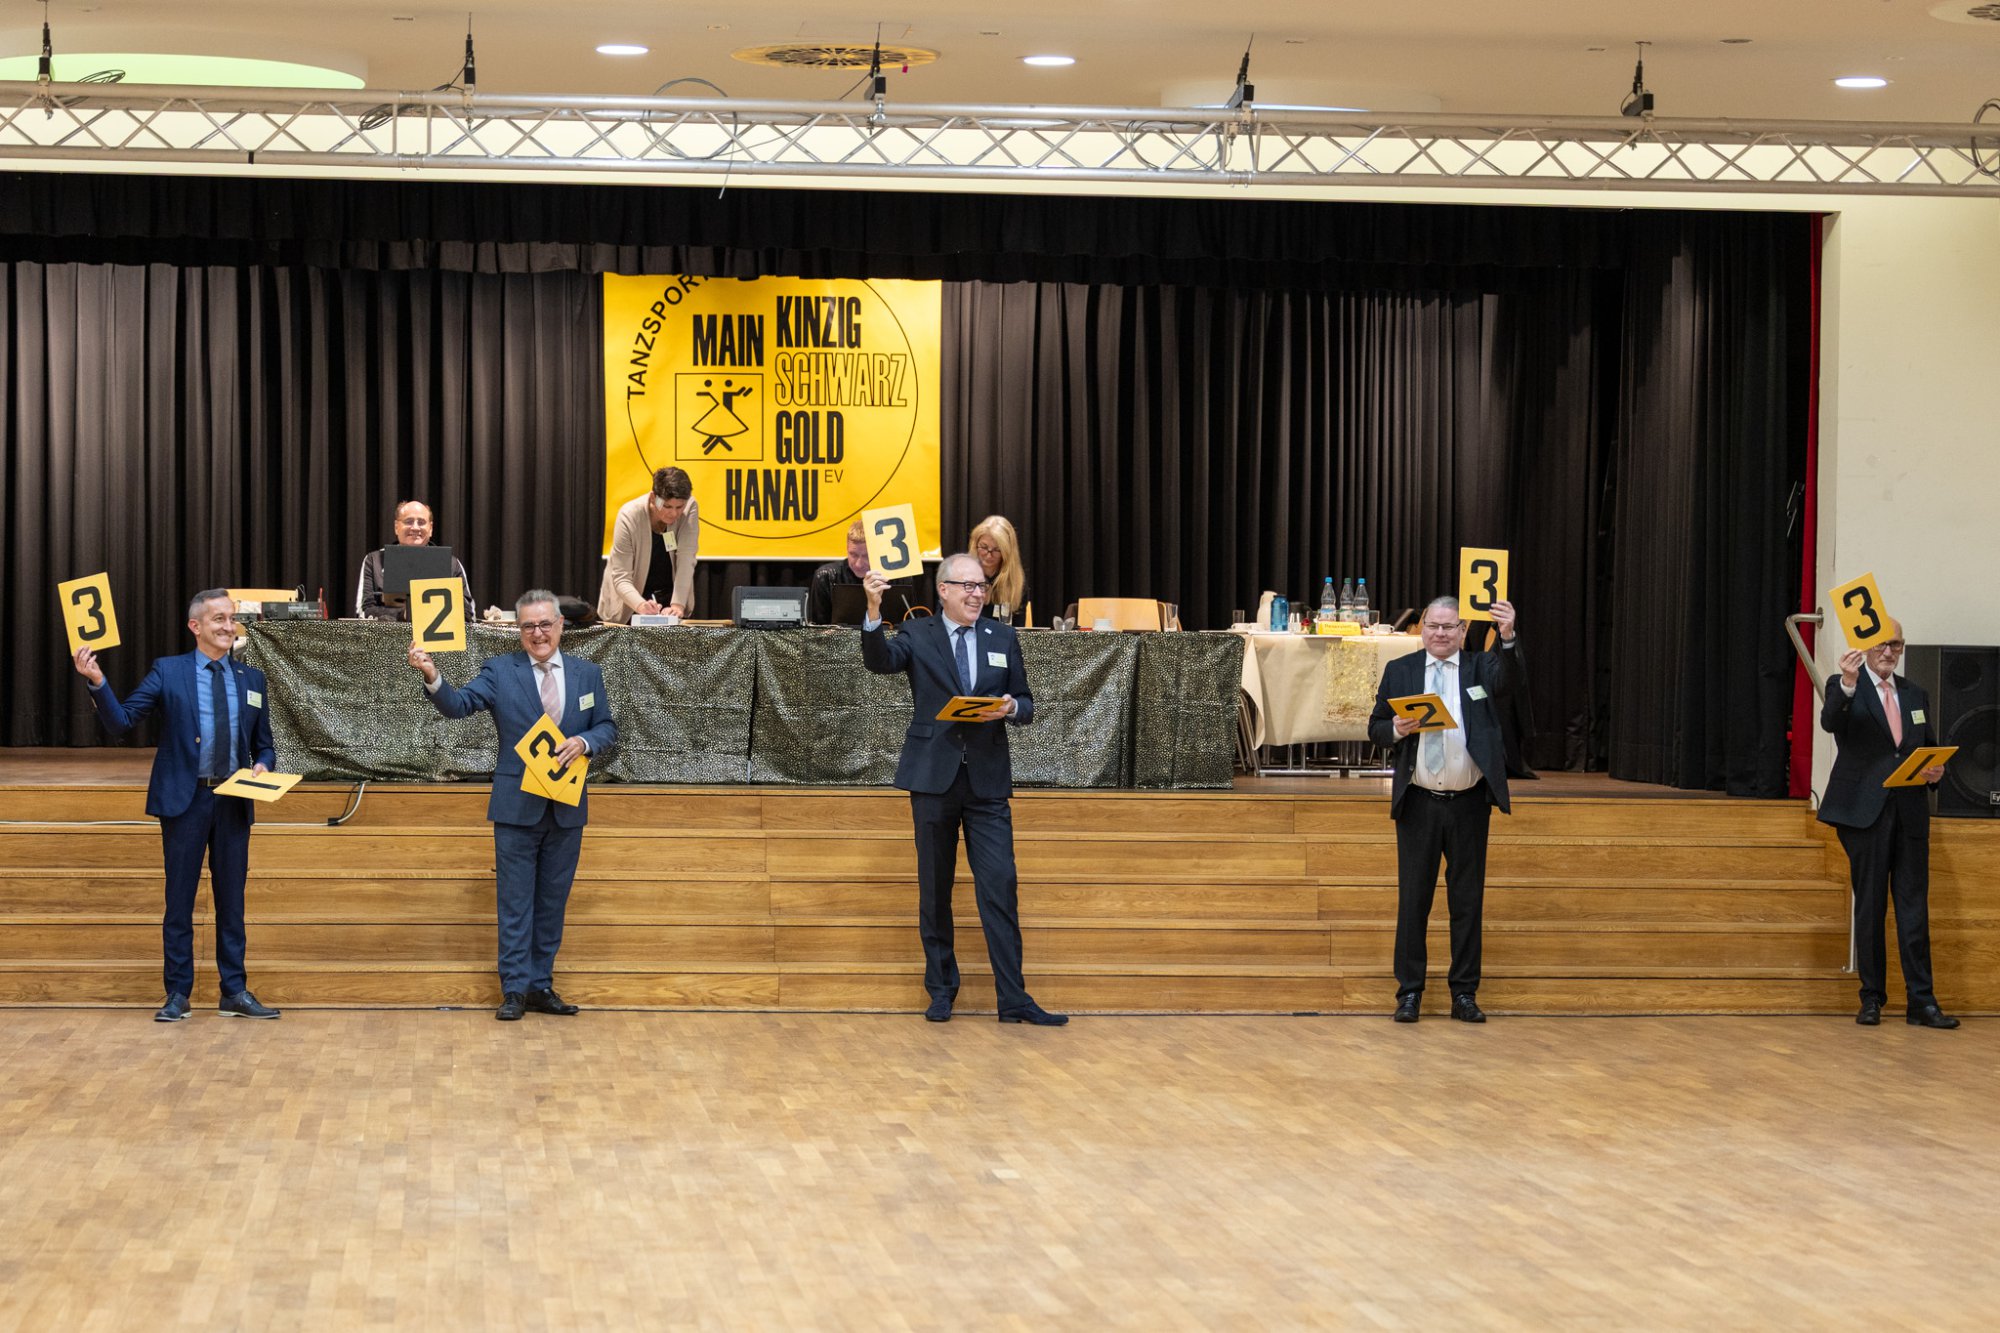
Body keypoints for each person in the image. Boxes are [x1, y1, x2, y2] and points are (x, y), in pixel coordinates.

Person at [860, 554, 1066, 1026]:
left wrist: (1011, 707)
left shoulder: (1002, 636)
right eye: (968, 586)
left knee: (1000, 886)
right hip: (933, 778)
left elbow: (1026, 701)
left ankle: (1013, 998)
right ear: (944, 590)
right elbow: (880, 662)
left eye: (982, 587)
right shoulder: (918, 633)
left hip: (987, 782)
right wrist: (873, 610)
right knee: (935, 889)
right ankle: (941, 991)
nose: (977, 594)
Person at [408, 589, 618, 1021]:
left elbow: (606, 727)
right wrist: (431, 674)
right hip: (516, 808)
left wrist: (585, 742)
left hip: (566, 808)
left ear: (561, 625)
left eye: (545, 624)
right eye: (528, 626)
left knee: (552, 903)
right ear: (518, 631)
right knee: (515, 902)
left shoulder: (588, 674)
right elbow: (458, 705)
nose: (538, 633)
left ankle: (541, 986)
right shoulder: (500, 671)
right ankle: (515, 990)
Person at [73, 590, 281, 1022]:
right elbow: (121, 721)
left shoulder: (252, 680)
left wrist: (263, 764)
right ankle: (177, 993)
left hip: (234, 801)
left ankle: (234, 991)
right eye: (219, 619)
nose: (228, 627)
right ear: (195, 626)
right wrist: (97, 681)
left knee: (232, 903)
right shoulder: (168, 671)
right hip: (185, 802)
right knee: (180, 901)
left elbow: (265, 745)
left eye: (231, 619)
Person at [1367, 596, 1523, 1024]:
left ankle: (1464, 994)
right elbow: (1375, 727)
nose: (1440, 633)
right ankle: (1409, 993)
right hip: (1418, 802)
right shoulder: (1400, 670)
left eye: (1449, 627)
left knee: (1467, 902)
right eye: (1433, 626)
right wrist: (1395, 729)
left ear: (1462, 631)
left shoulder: (1481, 667)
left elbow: (1509, 682)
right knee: (1413, 901)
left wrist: (1507, 636)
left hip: (1469, 803)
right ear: (1422, 629)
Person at [1818, 622, 1956, 1028]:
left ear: (1902, 648)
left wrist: (1935, 771)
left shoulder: (1915, 693)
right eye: (1880, 644)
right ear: (1865, 647)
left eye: (1895, 644)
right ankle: (1872, 998)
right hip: (1864, 815)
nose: (1888, 651)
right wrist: (1847, 681)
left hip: (1909, 814)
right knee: (1871, 906)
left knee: (1914, 909)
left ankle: (1922, 1002)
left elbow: (1927, 747)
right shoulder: (1845, 685)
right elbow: (1830, 722)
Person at [598, 467, 698, 624]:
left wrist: (677, 605)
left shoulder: (689, 507)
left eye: (679, 507)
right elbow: (621, 576)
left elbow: (686, 558)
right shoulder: (629, 516)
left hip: (669, 600)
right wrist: (640, 605)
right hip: (629, 602)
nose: (674, 513)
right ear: (653, 498)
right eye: (667, 506)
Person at [354, 499, 476, 621]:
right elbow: (364, 611)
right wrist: (403, 614)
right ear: (396, 527)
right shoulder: (374, 561)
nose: (415, 527)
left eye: (421, 522)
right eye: (409, 521)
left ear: (431, 528)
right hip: (388, 633)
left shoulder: (451, 564)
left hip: (440, 634)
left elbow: (468, 614)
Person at [807, 518, 927, 623]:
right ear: (847, 548)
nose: (859, 564)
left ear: (880, 552)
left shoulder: (900, 577)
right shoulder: (826, 576)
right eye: (853, 555)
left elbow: (913, 626)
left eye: (867, 556)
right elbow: (817, 630)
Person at [969, 515, 1028, 625]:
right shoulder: (961, 577)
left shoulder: (1016, 583)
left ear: (1007, 552)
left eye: (997, 550)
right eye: (984, 547)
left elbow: (1017, 629)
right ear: (975, 546)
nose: (989, 555)